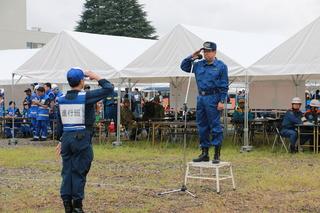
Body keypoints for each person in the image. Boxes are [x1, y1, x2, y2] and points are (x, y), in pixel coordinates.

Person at [56, 68, 114, 212]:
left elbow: (59, 122)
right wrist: (96, 76)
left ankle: (67, 204)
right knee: (79, 171)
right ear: (82, 81)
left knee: (67, 171)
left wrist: (61, 140)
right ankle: (77, 206)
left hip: (67, 138)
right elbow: (109, 88)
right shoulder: (85, 97)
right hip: (81, 137)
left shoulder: (61, 99)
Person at [181, 41, 228, 164]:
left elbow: (224, 85)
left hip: (214, 97)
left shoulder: (221, 66)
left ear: (214, 52)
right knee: (202, 126)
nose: (206, 54)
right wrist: (192, 56)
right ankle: (205, 153)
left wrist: (222, 100)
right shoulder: (197, 65)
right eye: (204, 51)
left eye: (209, 51)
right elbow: (184, 67)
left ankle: (217, 154)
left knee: (215, 126)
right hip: (201, 98)